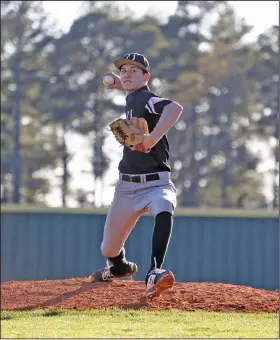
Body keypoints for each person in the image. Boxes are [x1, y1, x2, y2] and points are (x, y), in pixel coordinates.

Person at [88, 53, 183, 299]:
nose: (127, 74)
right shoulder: (133, 97)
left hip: (156, 183)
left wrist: (152, 138)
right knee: (108, 248)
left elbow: (175, 108)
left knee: (164, 205)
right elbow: (132, 91)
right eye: (124, 70)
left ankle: (154, 272)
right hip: (126, 188)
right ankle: (120, 268)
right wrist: (118, 84)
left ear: (146, 77)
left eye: (134, 70)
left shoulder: (147, 99)